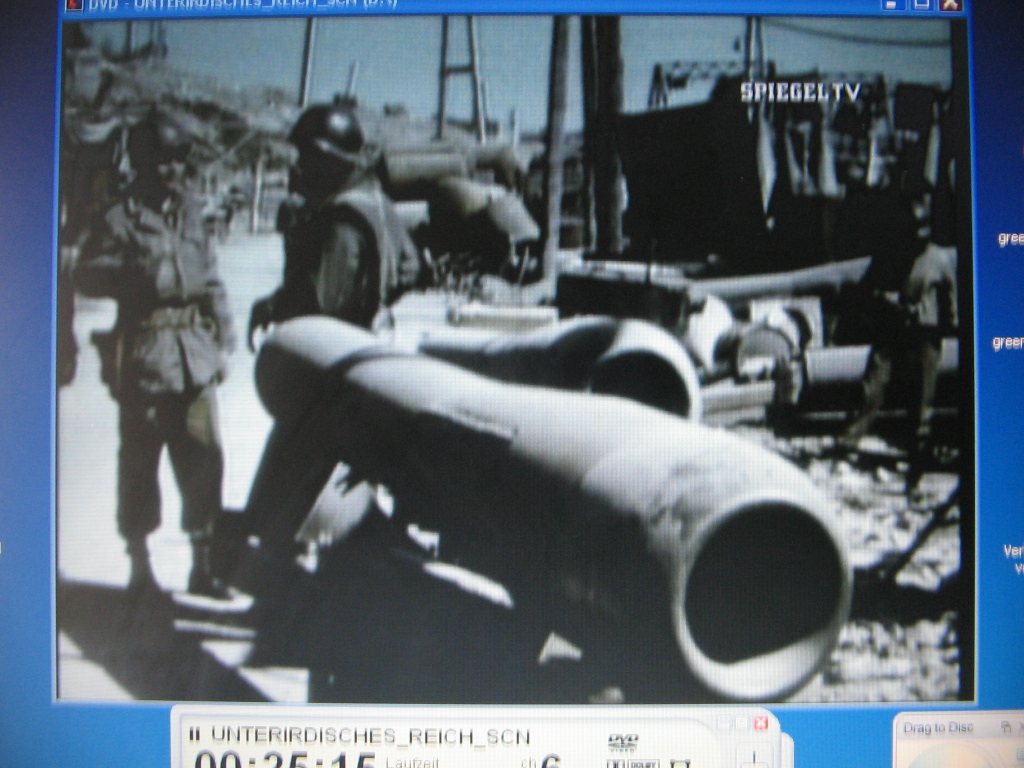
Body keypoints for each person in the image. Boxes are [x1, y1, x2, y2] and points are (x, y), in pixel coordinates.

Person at [73, 108, 236, 599]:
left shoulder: (190, 214)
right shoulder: (117, 217)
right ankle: (140, 569)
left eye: (179, 161)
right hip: (144, 354)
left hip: (194, 357)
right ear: (143, 162)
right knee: (139, 465)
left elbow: (211, 280)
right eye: (164, 160)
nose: (174, 170)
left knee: (204, 463)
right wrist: (129, 273)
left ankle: (203, 567)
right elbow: (85, 274)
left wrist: (224, 341)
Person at [248, 100, 421, 345]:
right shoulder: (378, 202)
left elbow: (325, 304)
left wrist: (272, 307)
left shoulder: (342, 218)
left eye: (306, 156)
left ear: (328, 160)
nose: (299, 165)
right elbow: (410, 269)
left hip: (335, 345)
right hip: (371, 338)